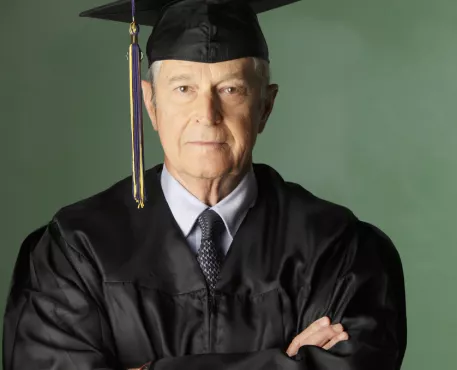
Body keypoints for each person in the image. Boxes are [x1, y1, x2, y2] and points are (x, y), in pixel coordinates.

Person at [2, 0, 407, 369]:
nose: (207, 113)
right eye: (183, 89)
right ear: (150, 103)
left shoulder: (339, 251)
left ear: (265, 106)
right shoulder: (75, 250)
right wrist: (282, 363)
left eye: (230, 89)